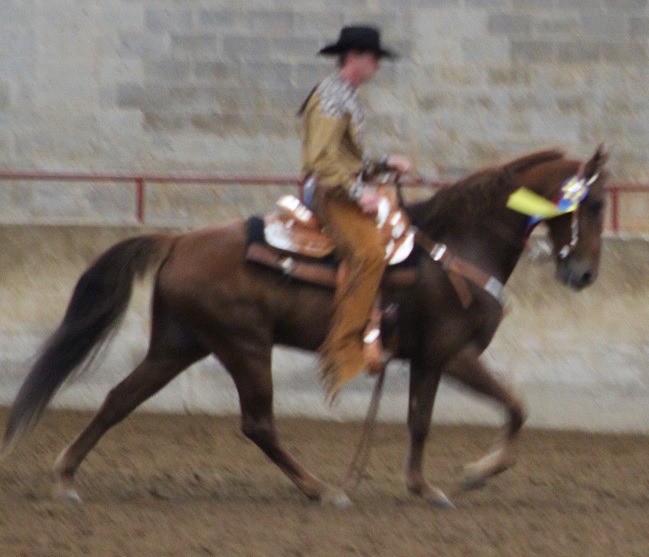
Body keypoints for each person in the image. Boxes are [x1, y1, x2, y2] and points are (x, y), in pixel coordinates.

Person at [299, 25, 412, 399]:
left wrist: (382, 163)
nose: (377, 65)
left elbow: (348, 156)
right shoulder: (330, 97)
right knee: (370, 253)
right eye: (373, 58)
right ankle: (343, 349)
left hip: (342, 186)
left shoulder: (345, 94)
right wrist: (359, 193)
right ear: (353, 57)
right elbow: (321, 161)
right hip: (330, 192)